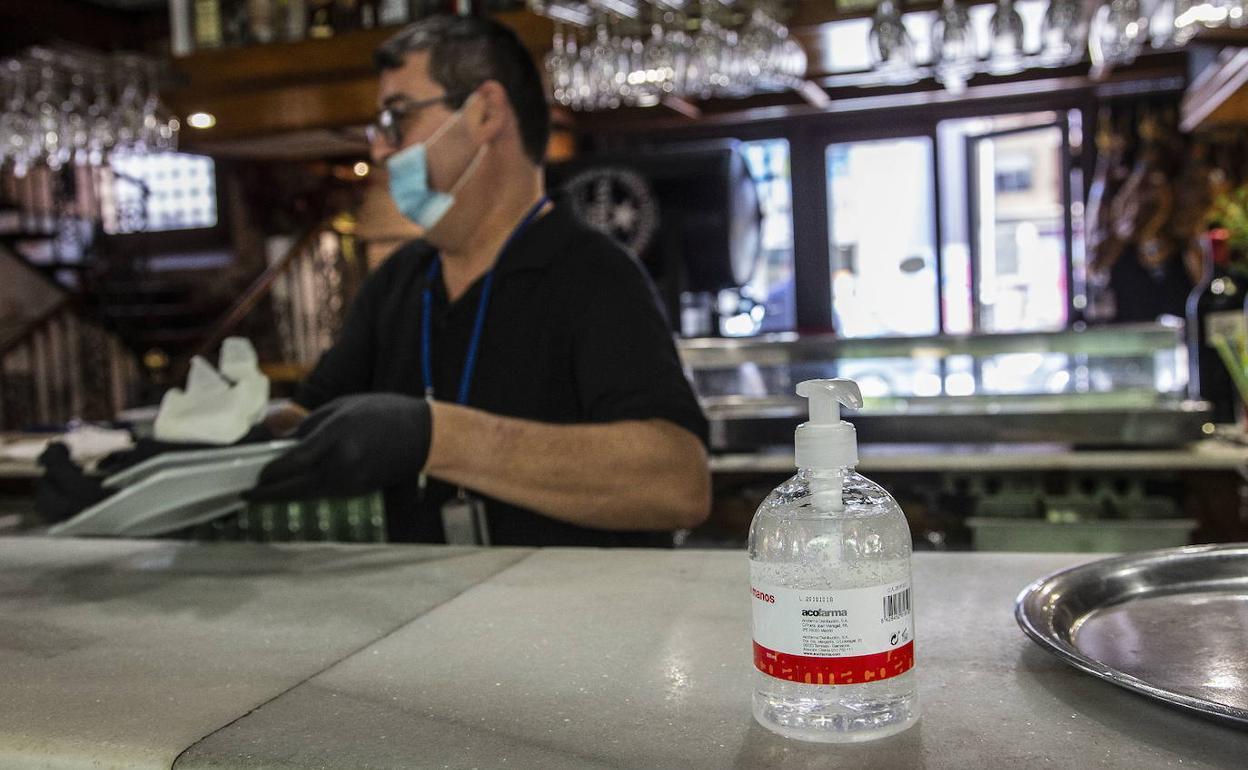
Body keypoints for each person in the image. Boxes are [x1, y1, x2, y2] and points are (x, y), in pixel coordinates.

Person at [247, 15, 711, 547]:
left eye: (398, 117)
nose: (379, 149)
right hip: (424, 618)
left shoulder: (594, 274)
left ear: (485, 112)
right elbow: (306, 417)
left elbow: (679, 482)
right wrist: (224, 440)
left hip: (573, 623)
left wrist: (434, 436)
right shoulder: (399, 280)